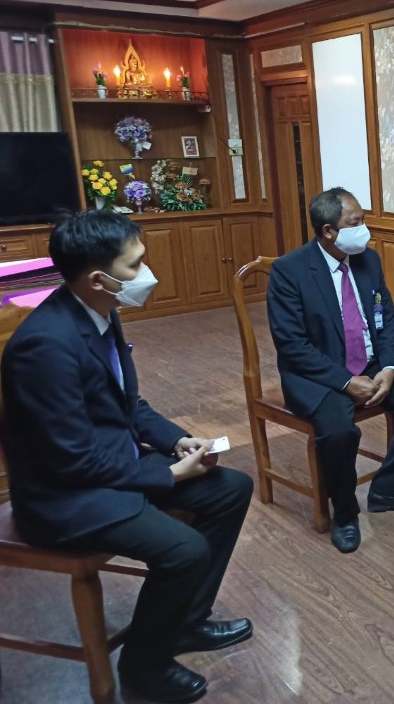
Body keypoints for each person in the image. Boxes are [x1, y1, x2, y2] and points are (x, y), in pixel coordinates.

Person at [0, 211, 253, 704]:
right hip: (64, 497)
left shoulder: (99, 311)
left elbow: (127, 404)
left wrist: (176, 442)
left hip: (106, 466)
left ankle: (184, 623)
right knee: (184, 550)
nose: (147, 272)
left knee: (231, 489)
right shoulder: (45, 347)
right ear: (99, 279)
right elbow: (71, 461)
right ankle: (143, 668)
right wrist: (167, 475)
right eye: (136, 265)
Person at [267, 188, 394, 554]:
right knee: (338, 432)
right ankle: (345, 514)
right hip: (318, 374)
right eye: (356, 222)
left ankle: (390, 491)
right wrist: (345, 382)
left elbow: (386, 317)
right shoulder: (289, 271)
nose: (365, 229)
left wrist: (390, 365)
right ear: (329, 231)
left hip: (372, 363)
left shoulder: (367, 260)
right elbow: (292, 345)